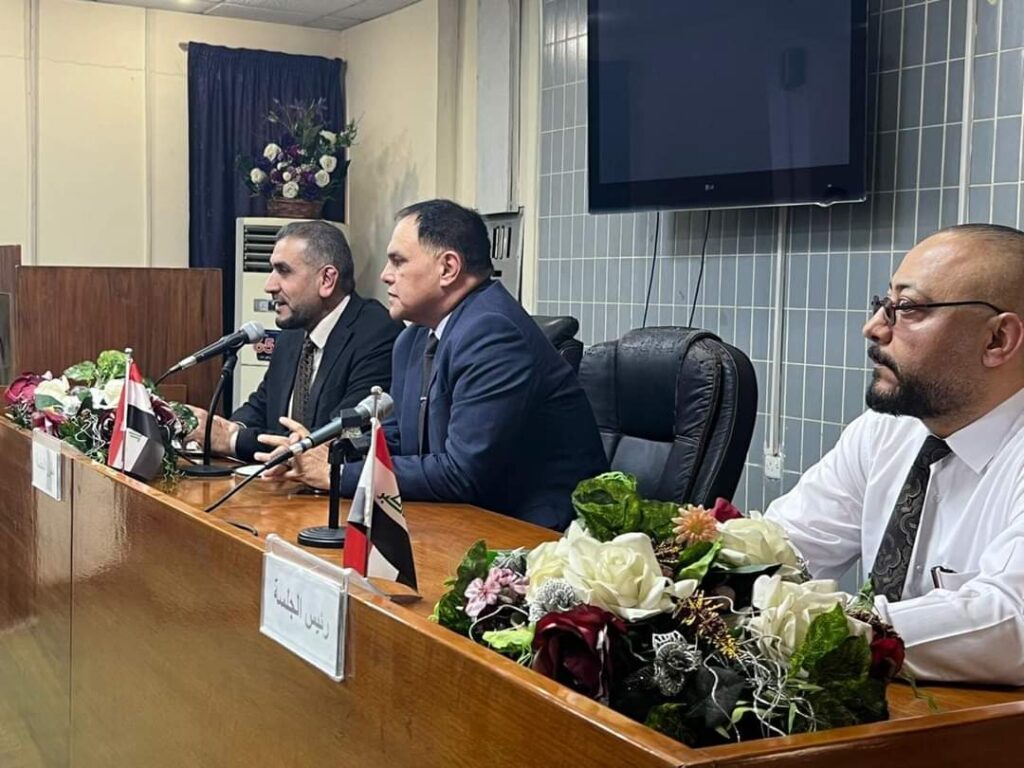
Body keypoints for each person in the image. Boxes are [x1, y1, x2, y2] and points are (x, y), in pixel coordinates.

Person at [765, 223, 1024, 685]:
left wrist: (827, 629)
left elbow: (1011, 622)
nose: (874, 328)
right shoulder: (886, 430)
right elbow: (785, 548)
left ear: (997, 340)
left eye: (907, 308)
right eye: (883, 304)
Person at [259, 199, 608, 529]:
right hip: (460, 520)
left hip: (535, 536)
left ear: (448, 268)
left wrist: (336, 474)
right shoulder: (413, 339)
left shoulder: (493, 333)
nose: (385, 275)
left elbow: (462, 472)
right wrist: (328, 452)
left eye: (398, 261)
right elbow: (397, 435)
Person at [190, 220, 400, 462]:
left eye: (284, 271)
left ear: (327, 280)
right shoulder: (292, 334)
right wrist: (226, 428)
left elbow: (338, 437)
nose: (269, 286)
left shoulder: (377, 333)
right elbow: (261, 406)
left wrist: (232, 440)